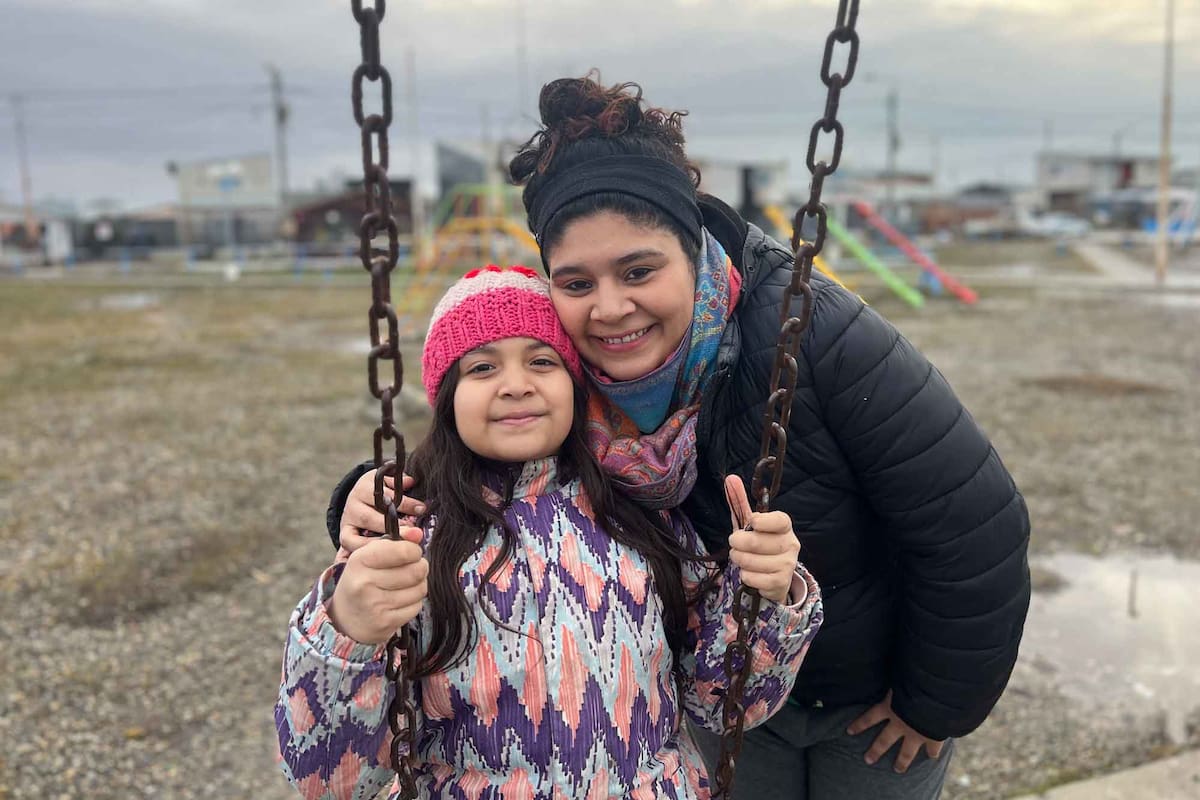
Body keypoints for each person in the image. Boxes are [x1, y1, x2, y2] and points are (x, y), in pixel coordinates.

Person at [332, 75, 1031, 799]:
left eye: (639, 270)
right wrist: (364, 497)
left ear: (692, 250)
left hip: (866, 696)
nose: (610, 308)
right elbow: (489, 457)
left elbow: (974, 524)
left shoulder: (813, 335)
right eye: (576, 283)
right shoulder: (571, 371)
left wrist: (934, 704)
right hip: (727, 687)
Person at [276, 265, 824, 800]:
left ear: (575, 386)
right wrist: (348, 630)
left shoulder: (643, 519)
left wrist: (765, 597)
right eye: (482, 369)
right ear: (446, 400)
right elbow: (331, 781)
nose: (516, 386)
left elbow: (727, 704)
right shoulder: (409, 541)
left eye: (542, 361)